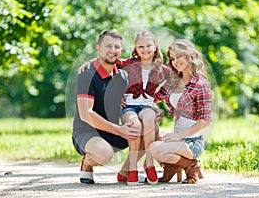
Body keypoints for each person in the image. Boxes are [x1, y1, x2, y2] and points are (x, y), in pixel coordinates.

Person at [78, 31, 171, 185]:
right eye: (141, 46)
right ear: (135, 48)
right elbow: (108, 59)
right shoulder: (129, 64)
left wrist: (157, 100)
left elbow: (177, 78)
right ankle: (130, 168)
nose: (145, 49)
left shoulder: (162, 69)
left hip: (143, 108)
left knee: (150, 124)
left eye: (148, 45)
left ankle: (143, 165)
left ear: (155, 47)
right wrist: (89, 61)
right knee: (135, 126)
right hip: (121, 112)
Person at [72, 30, 142, 185]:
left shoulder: (122, 76)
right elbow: (86, 114)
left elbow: (122, 103)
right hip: (86, 132)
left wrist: (134, 120)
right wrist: (120, 130)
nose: (113, 50)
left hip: (111, 130)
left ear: (121, 51)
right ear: (98, 48)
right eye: (108, 46)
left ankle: (128, 171)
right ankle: (88, 163)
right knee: (104, 154)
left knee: (143, 129)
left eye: (117, 47)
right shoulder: (86, 75)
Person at [149, 39, 214, 184]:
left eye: (179, 56)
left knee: (154, 149)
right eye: (172, 58)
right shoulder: (173, 81)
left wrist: (179, 136)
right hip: (177, 137)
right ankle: (176, 165)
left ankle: (190, 165)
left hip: (192, 142)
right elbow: (155, 98)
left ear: (189, 55)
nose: (175, 61)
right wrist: (131, 98)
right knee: (147, 133)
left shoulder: (200, 85)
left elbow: (205, 121)